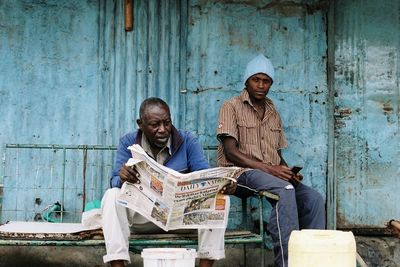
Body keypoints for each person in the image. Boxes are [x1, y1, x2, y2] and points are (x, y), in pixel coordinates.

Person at [216, 54, 326, 267]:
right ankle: (286, 263)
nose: (260, 85)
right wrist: (272, 170)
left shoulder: (272, 111)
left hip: (269, 175)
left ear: (271, 84)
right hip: (239, 174)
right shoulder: (231, 106)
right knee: (283, 190)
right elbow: (230, 152)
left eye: (266, 81)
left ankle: (312, 260)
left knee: (313, 199)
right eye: (256, 79)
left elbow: (275, 154)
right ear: (246, 81)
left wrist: (286, 170)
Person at [101, 97, 235, 267]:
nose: (163, 130)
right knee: (111, 195)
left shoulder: (188, 141)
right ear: (140, 124)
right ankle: (117, 264)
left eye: (167, 123)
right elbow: (114, 182)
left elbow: (204, 176)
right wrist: (122, 176)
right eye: (155, 124)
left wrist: (222, 184)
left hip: (182, 219)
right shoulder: (128, 142)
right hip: (145, 218)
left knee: (221, 199)